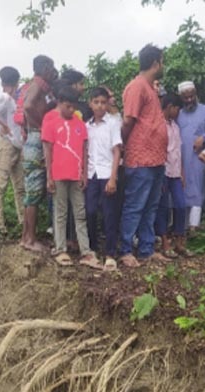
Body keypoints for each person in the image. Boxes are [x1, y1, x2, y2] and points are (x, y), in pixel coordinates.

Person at [119, 44, 169, 268]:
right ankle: (126, 249)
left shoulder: (150, 88)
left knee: (150, 206)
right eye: (162, 61)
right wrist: (122, 146)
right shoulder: (137, 86)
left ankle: (147, 249)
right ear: (155, 63)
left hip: (156, 158)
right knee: (135, 205)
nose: (163, 65)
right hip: (140, 158)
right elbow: (128, 120)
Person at [42, 87, 99, 268]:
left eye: (73, 107)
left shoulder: (79, 123)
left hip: (76, 175)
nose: (71, 110)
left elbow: (84, 149)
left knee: (80, 213)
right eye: (68, 106)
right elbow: (47, 151)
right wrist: (49, 177)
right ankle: (60, 249)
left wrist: (83, 173)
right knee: (60, 213)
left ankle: (86, 251)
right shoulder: (50, 121)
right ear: (60, 103)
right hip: (58, 175)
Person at [19, 55, 58, 252]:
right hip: (36, 139)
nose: (53, 71)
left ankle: (26, 237)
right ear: (43, 68)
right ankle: (30, 239)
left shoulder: (42, 87)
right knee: (34, 193)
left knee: (31, 194)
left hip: (32, 139)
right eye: (51, 67)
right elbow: (27, 106)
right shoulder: (37, 85)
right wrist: (41, 126)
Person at [0, 66, 27, 234]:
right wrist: (2, 124)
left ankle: (22, 223)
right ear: (16, 82)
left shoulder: (13, 100)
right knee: (1, 186)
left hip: (16, 146)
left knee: (19, 187)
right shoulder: (6, 98)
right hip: (6, 145)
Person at [84, 87, 122, 271]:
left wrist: (113, 178)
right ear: (90, 103)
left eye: (103, 102)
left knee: (109, 215)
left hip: (107, 173)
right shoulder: (86, 126)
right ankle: (92, 249)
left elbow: (117, 152)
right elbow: (85, 152)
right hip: (91, 174)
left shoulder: (113, 123)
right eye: (96, 102)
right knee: (90, 212)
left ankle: (110, 254)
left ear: (108, 104)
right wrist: (84, 175)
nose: (100, 106)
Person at [176, 81, 205, 233]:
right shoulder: (178, 114)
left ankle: (194, 227)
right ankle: (183, 228)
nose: (189, 100)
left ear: (195, 94)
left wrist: (204, 138)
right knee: (182, 191)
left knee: (197, 190)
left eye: (191, 96)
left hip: (199, 159)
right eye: (185, 98)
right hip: (181, 159)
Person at [156, 93, 189, 257]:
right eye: (177, 109)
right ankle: (164, 242)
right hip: (163, 171)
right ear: (170, 107)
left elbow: (178, 151)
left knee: (181, 205)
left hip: (175, 172)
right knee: (163, 207)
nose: (178, 113)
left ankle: (179, 240)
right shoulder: (159, 125)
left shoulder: (176, 127)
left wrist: (182, 172)